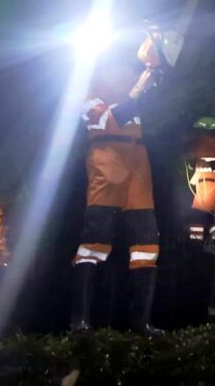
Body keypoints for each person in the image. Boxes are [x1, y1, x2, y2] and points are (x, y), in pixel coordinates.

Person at [70, 33, 164, 335]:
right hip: (106, 161)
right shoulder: (85, 89)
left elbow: (155, 86)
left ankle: (141, 323)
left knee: (147, 243)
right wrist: (141, 86)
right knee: (95, 242)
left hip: (138, 163)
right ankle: (80, 321)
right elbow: (112, 118)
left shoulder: (131, 77)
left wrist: (156, 59)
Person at [181, 115, 215, 323]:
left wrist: (210, 163)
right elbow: (189, 160)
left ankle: (208, 243)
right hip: (203, 184)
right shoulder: (197, 144)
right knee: (201, 217)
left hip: (210, 183)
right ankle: (199, 243)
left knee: (206, 215)